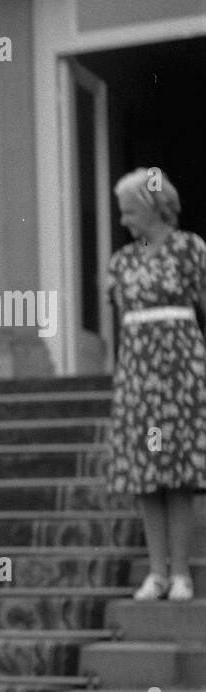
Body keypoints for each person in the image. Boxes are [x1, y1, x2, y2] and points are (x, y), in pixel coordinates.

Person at [107, 168, 206, 603]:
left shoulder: (190, 249)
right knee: (148, 470)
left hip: (179, 373)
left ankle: (181, 573)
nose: (125, 221)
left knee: (177, 472)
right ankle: (157, 573)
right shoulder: (123, 260)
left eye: (129, 211)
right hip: (139, 377)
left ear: (151, 207)